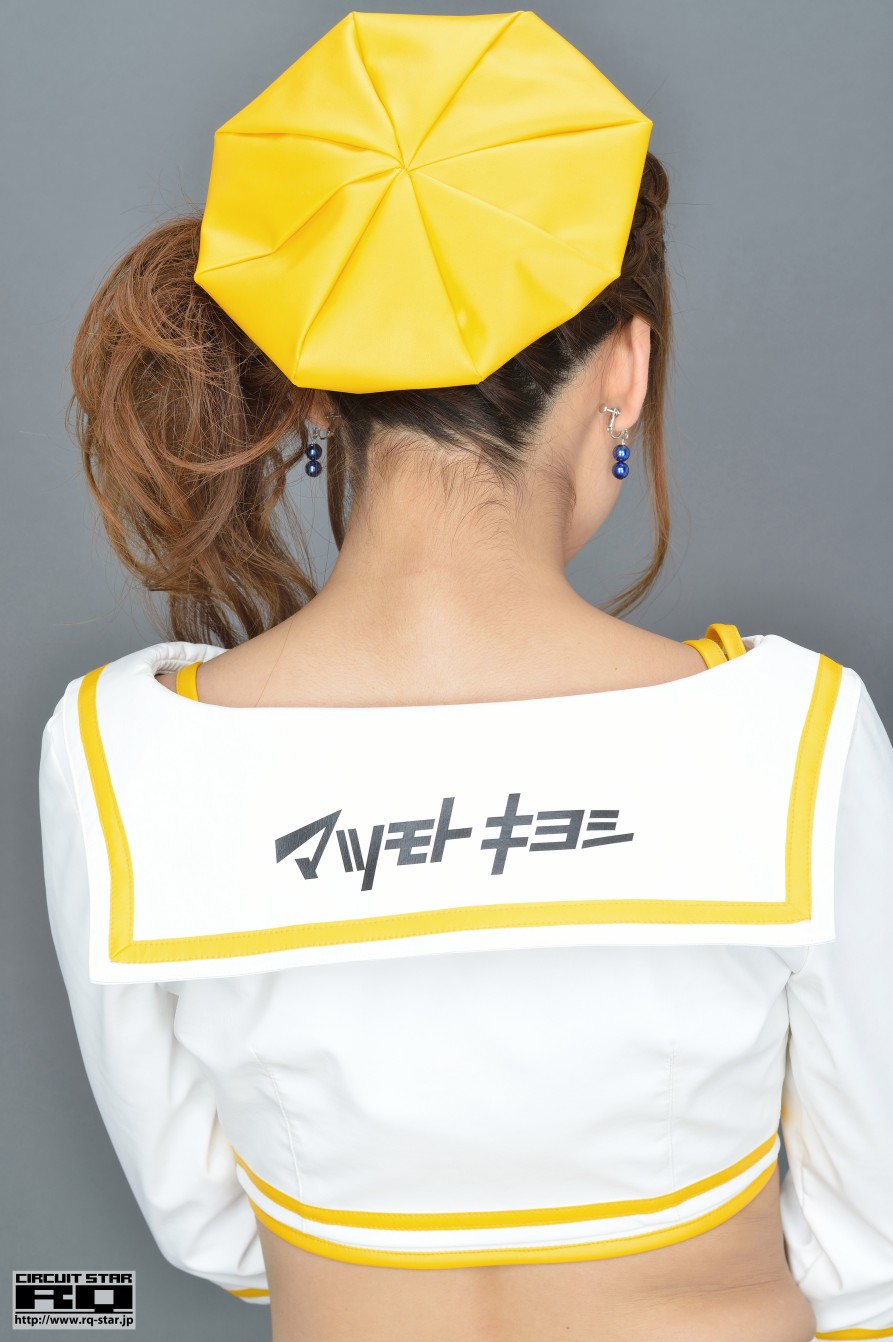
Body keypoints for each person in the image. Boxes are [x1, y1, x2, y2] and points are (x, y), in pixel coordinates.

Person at [38, 11, 893, 1342]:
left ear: (310, 388)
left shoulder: (118, 755)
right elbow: (872, 1244)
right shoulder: (793, 737)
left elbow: (206, 1219)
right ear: (625, 367)